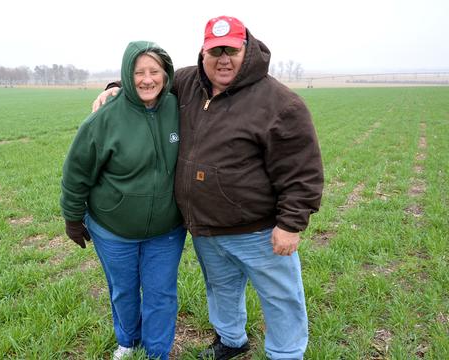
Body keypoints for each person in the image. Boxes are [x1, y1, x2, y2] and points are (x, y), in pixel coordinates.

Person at [92, 16, 324, 360]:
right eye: (215, 51)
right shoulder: (188, 82)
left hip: (258, 230)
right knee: (221, 290)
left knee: (280, 296)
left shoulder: (280, 103)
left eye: (232, 49)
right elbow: (150, 82)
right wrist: (116, 86)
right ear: (203, 53)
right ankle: (232, 341)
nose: (224, 58)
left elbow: (302, 171)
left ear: (247, 49)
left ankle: (287, 354)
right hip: (205, 228)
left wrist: (290, 224)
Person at [60, 41, 186, 360]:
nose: (146, 79)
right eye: (138, 72)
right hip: (112, 229)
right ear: (126, 76)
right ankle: (128, 342)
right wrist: (73, 219)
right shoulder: (103, 119)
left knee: (161, 294)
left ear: (166, 74)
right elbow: (76, 173)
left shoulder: (179, 107)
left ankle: (157, 352)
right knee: (124, 291)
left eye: (154, 71)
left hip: (166, 229)